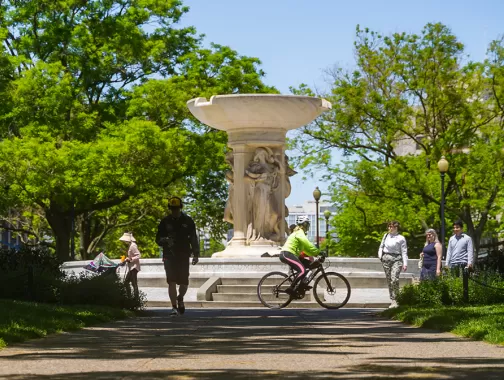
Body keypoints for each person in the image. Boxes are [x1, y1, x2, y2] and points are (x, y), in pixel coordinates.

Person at [156, 197, 200, 316]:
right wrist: (165, 240)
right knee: (172, 281)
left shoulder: (188, 221)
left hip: (184, 254)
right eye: (172, 209)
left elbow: (193, 238)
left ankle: (180, 298)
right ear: (170, 209)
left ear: (180, 208)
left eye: (176, 208)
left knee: (184, 282)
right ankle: (174, 307)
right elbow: (158, 239)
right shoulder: (165, 222)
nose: (174, 211)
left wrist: (196, 254)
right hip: (169, 255)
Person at [279, 215, 320, 295]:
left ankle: (301, 286)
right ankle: (291, 289)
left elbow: (306, 249)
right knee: (302, 270)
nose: (309, 226)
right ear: (304, 224)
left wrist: (316, 254)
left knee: (311, 265)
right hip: (287, 254)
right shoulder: (299, 233)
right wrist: (318, 251)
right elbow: (308, 244)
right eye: (307, 224)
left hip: (293, 255)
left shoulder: (301, 233)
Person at [378, 221, 408, 308]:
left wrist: (405, 263)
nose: (390, 228)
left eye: (392, 227)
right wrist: (380, 256)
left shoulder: (401, 238)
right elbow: (381, 246)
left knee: (394, 278)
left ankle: (397, 299)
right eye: (389, 226)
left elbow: (404, 251)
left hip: (397, 259)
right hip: (386, 259)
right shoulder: (386, 236)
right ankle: (393, 299)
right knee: (389, 279)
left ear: (396, 228)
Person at [119, 232, 141, 300]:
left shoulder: (133, 245)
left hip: (134, 267)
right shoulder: (130, 245)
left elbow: (138, 255)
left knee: (133, 283)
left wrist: (131, 259)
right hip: (131, 267)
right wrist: (126, 259)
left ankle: (135, 298)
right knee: (127, 283)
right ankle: (131, 297)